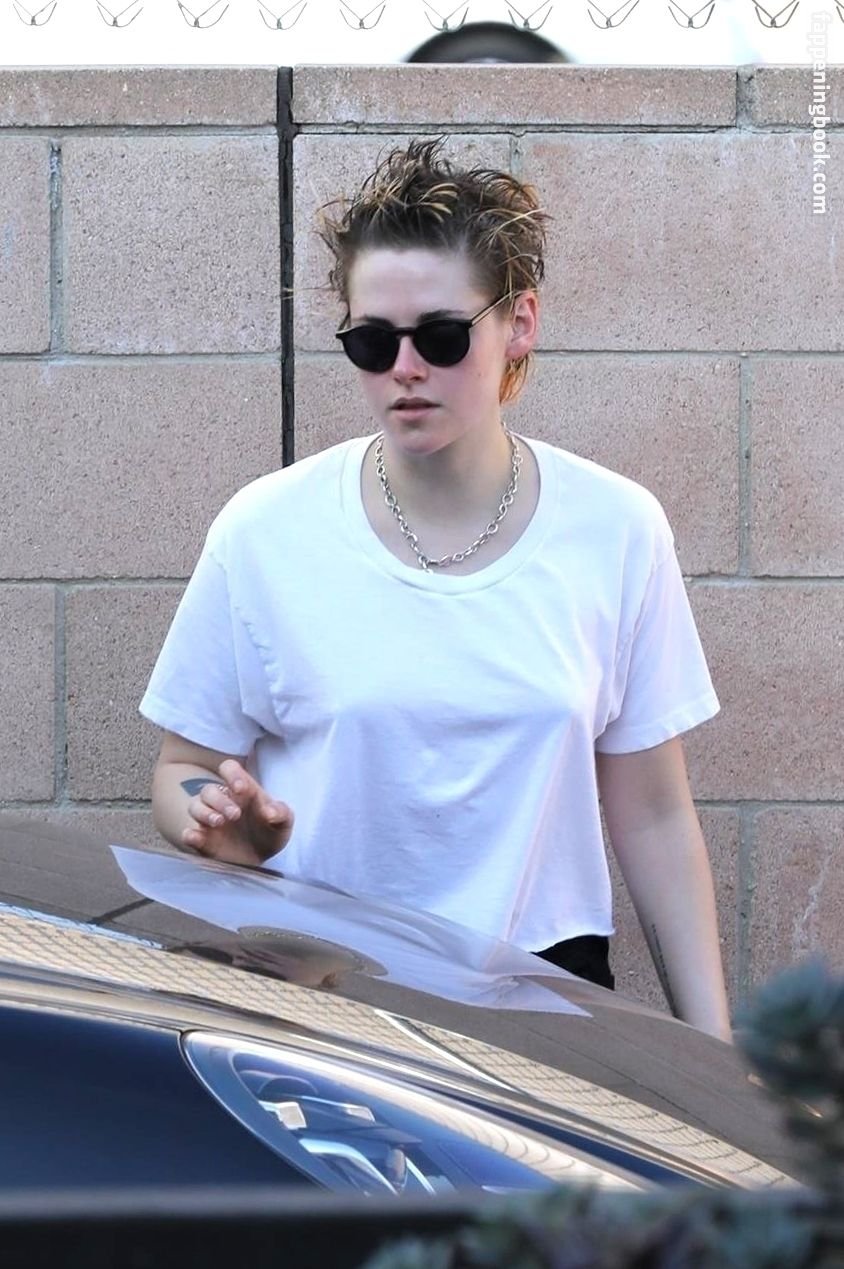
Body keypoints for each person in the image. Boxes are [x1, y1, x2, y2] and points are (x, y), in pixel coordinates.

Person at [141, 137, 731, 1041]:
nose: (405, 368)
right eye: (373, 342)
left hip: (545, 996)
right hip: (325, 994)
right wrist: (224, 834)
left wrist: (716, 1057)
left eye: (442, 337)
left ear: (519, 323)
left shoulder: (616, 528)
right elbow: (182, 766)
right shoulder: (265, 530)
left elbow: (653, 813)